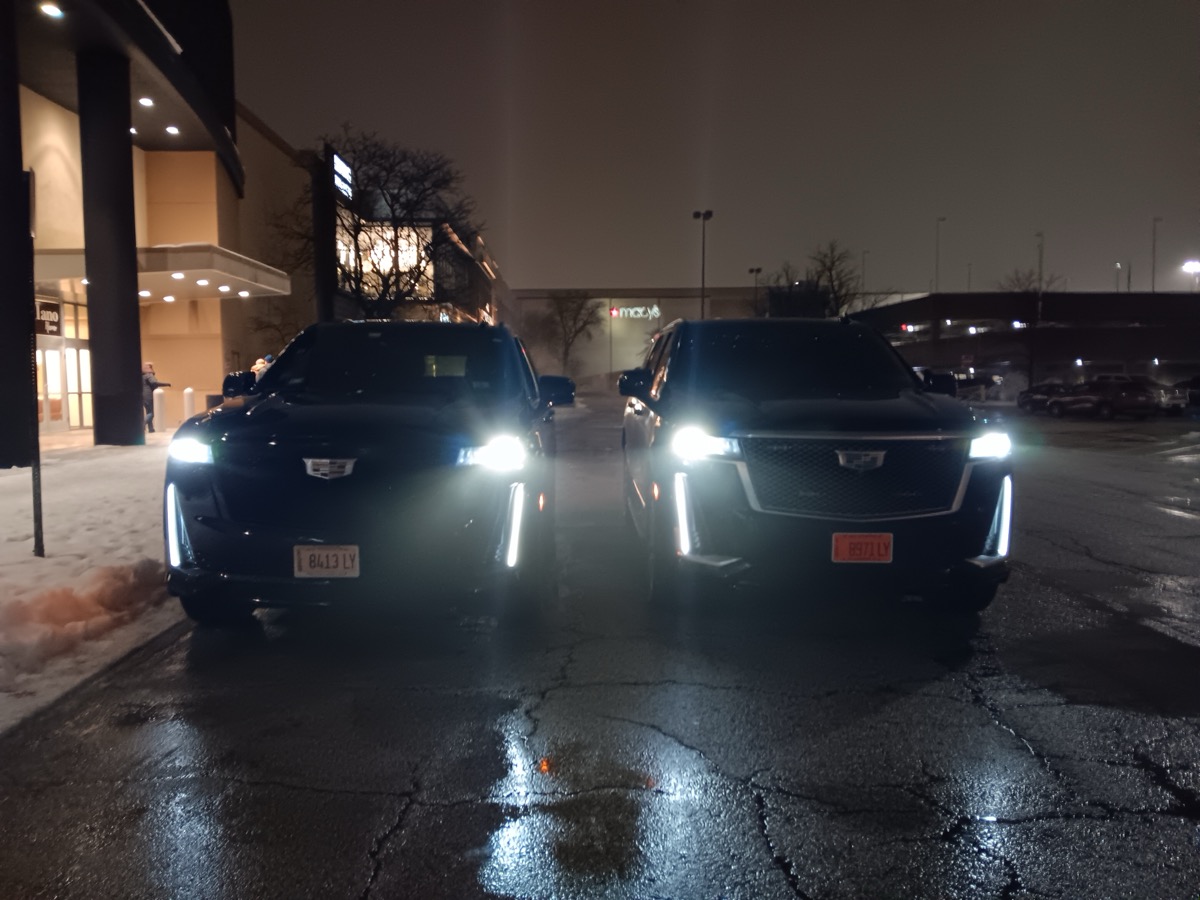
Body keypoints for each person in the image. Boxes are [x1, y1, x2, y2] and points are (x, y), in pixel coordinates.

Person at [142, 361, 171, 433]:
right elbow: (154, 382)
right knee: (151, 413)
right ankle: (142, 425)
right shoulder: (149, 375)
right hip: (148, 395)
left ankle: (151, 428)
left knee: (148, 411)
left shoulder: (142, 376)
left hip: (142, 395)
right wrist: (167, 384)